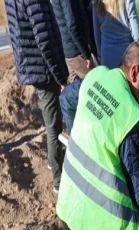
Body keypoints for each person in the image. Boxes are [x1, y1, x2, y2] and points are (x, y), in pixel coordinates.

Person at [56, 42, 139, 230]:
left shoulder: (96, 77)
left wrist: (76, 136)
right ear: (134, 72)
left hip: (68, 201)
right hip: (104, 221)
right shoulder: (131, 117)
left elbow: (65, 99)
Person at [5, 0, 69, 193]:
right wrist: (60, 76)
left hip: (32, 64)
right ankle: (59, 180)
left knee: (52, 121)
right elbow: (45, 40)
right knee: (54, 125)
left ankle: (54, 160)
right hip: (44, 69)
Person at [93, 0, 139, 69]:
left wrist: (100, 56)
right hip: (127, 54)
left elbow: (97, 35)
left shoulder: (97, 2)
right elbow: (137, 34)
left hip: (107, 56)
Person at [52, 0, 94, 82]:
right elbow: (73, 27)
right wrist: (86, 55)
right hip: (77, 53)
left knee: (77, 91)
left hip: (70, 52)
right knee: (95, 85)